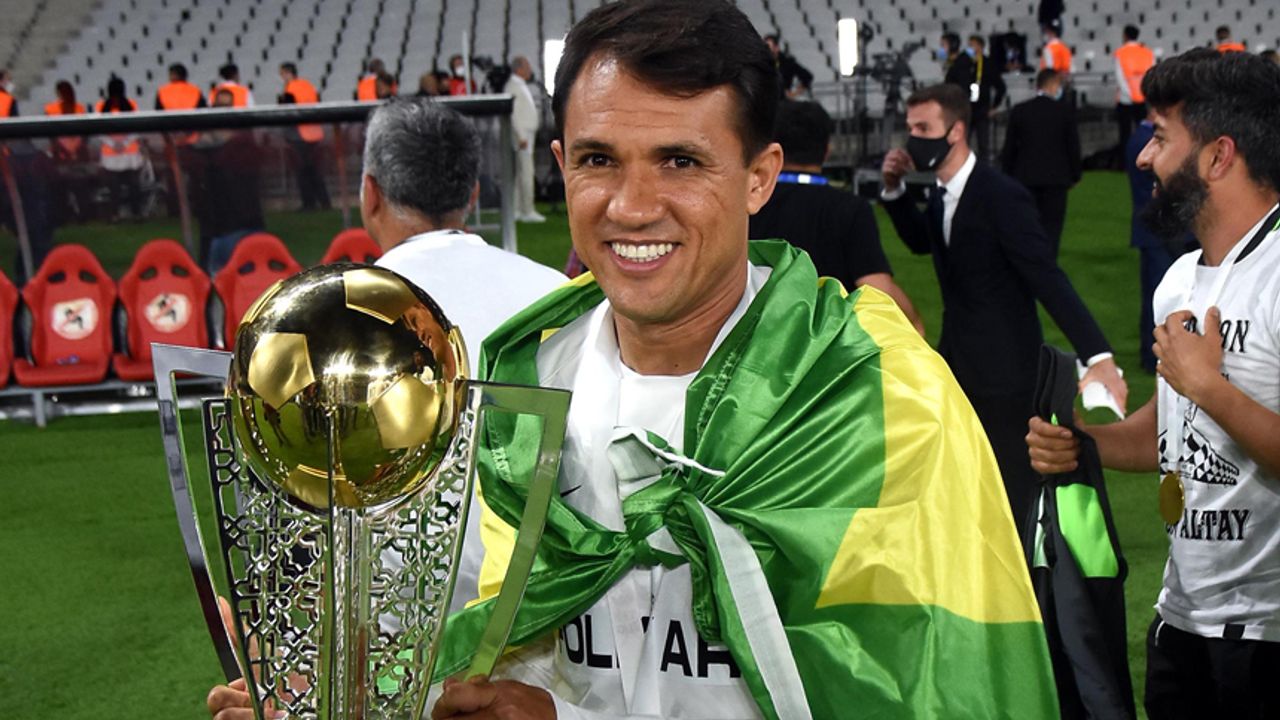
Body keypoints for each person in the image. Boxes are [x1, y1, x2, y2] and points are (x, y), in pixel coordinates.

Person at [211, 3, 1061, 718]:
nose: (632, 205)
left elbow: (927, 690)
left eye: (681, 161)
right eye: (598, 160)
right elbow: (502, 633)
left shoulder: (870, 390)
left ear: (759, 177)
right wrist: (342, 691)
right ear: (559, 167)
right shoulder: (526, 380)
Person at [1027, 49, 1280, 718]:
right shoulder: (1179, 280)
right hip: (1181, 624)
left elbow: (1201, 396)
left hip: (1268, 637)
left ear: (1219, 156)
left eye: (1161, 138)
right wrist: (1084, 444)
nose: (1143, 159)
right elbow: (1169, 432)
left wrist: (1208, 386)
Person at [881, 82, 1125, 531]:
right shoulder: (940, 191)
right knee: (964, 479)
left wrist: (1098, 355)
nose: (913, 139)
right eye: (910, 128)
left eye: (923, 128)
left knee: (1013, 489)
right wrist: (894, 191)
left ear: (956, 131)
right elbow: (921, 242)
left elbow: (1046, 276)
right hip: (957, 360)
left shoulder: (1001, 195)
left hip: (1007, 369)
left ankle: (1027, 570)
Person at [749, 100, 925, 336]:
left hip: (756, 344)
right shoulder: (850, 208)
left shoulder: (747, 204)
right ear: (827, 150)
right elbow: (877, 292)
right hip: (827, 348)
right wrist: (914, 323)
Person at [1001, 68, 1082, 256]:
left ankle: (1028, 261)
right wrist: (1075, 175)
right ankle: (1047, 263)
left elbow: (1009, 148)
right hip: (1056, 180)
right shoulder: (1064, 111)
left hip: (1025, 178)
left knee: (1027, 226)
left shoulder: (1020, 111)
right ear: (1053, 85)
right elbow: (1073, 146)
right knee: (1052, 228)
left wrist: (1007, 176)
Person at [278, 62, 330, 211]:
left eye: (282, 74)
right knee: (315, 171)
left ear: (288, 73)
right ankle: (324, 202)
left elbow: (288, 111)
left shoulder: (290, 88)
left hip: (299, 134)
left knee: (302, 171)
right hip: (314, 132)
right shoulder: (307, 85)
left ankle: (309, 203)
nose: (281, 77)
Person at [95, 76, 145, 221]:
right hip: (111, 155)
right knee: (114, 188)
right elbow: (97, 129)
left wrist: (125, 142)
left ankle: (136, 213)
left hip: (130, 154)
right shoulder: (101, 106)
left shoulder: (131, 105)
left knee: (134, 186)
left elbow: (138, 127)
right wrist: (112, 143)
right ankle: (115, 214)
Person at [505, 55, 545, 223]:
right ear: (519, 69)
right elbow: (513, 114)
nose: (530, 70)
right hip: (523, 135)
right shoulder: (513, 86)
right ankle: (527, 210)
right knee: (526, 172)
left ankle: (519, 209)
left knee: (522, 173)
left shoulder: (519, 85)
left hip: (527, 133)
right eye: (527, 67)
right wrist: (521, 135)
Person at [1114, 24, 1155, 150]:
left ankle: (1125, 158)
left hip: (1126, 100)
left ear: (1125, 36)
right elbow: (1152, 74)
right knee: (1144, 130)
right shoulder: (1147, 53)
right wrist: (1142, 94)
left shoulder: (1120, 53)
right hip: (1143, 98)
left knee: (1125, 132)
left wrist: (1130, 94)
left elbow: (1120, 78)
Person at [967, 34, 1006, 162]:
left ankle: (984, 168)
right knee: (963, 142)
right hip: (967, 108)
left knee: (983, 144)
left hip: (982, 109)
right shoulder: (965, 63)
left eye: (972, 45)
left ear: (980, 47)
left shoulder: (988, 64)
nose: (970, 48)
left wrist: (995, 106)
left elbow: (1001, 87)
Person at [763, 34, 812, 98]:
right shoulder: (761, 63)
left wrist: (794, 93)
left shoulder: (788, 63)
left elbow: (807, 76)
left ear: (776, 48)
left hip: (782, 100)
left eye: (768, 46)